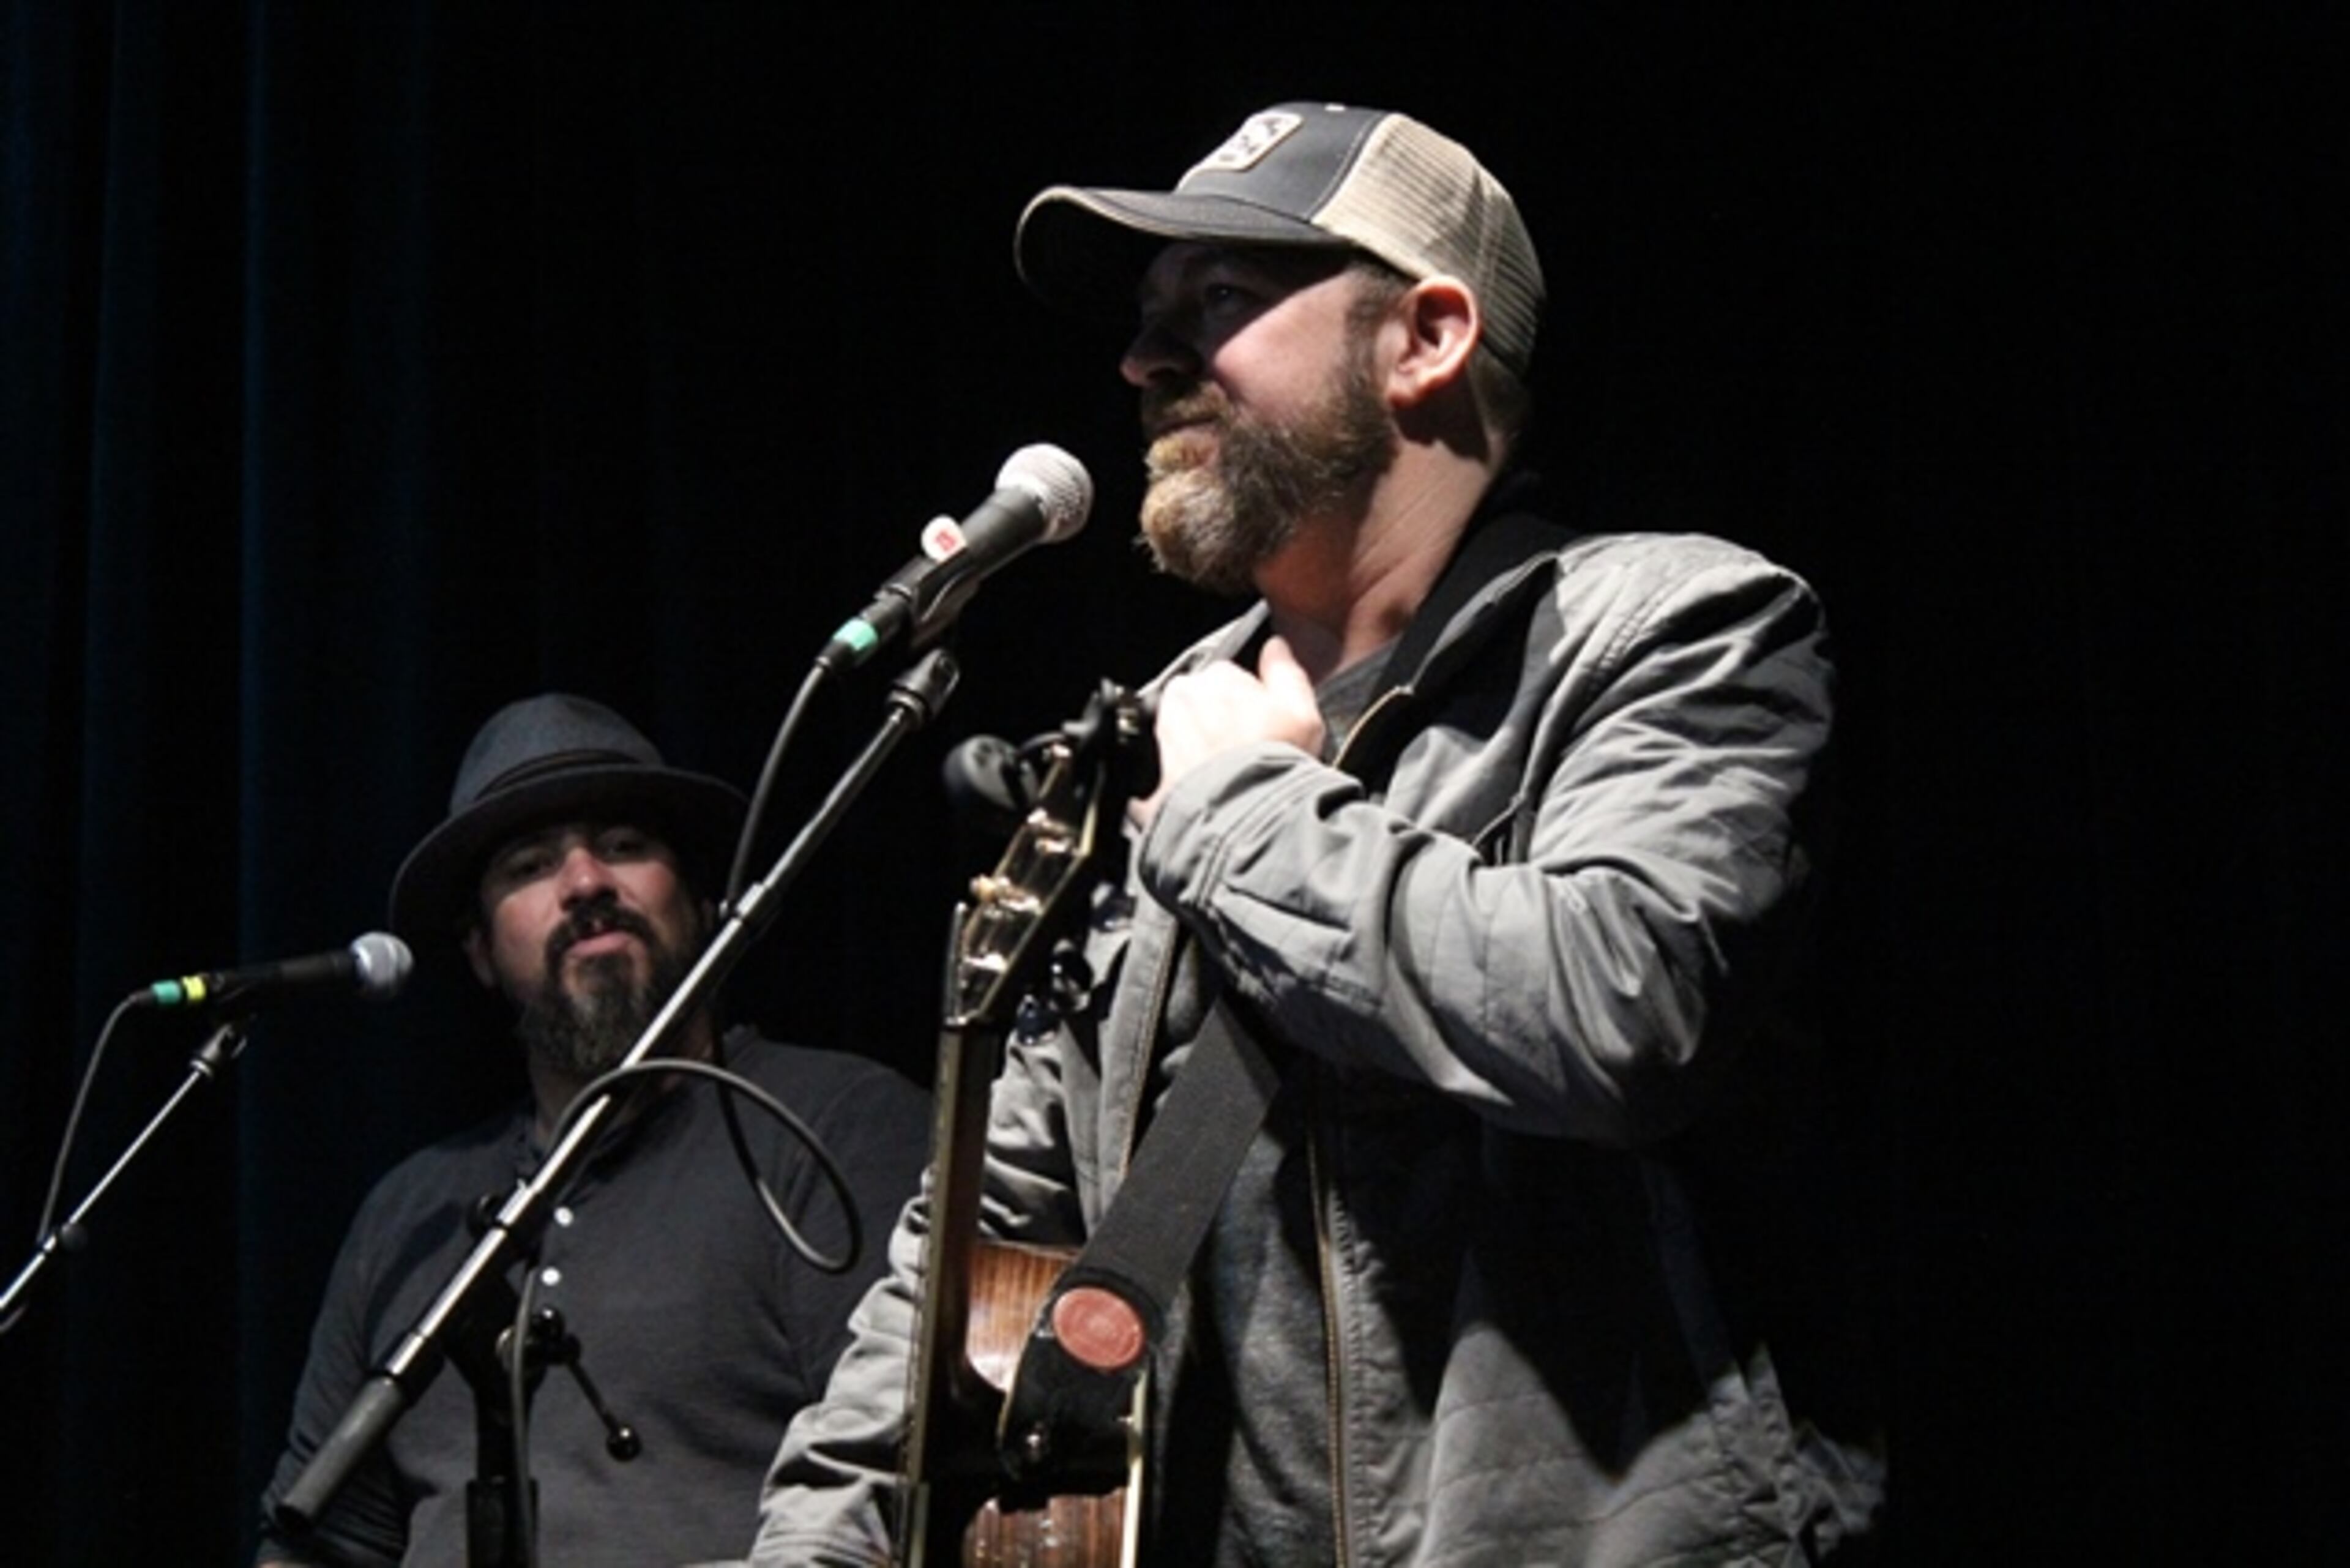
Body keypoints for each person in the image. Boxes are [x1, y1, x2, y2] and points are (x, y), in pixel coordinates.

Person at [753, 102, 1885, 1565]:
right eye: (1148, 318)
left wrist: (1236, 813)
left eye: (1217, 300)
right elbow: (989, 1232)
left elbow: (1620, 1007)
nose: (1145, 360)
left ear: (1425, 338)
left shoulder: (1675, 629)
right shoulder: (1152, 739)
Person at [253, 692, 932, 1566]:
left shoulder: (842, 1127)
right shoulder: (410, 1213)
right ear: (479, 950)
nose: (584, 884)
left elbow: (912, 1491)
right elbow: (317, 1544)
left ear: (698, 898)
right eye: (530, 865)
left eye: (624, 846)